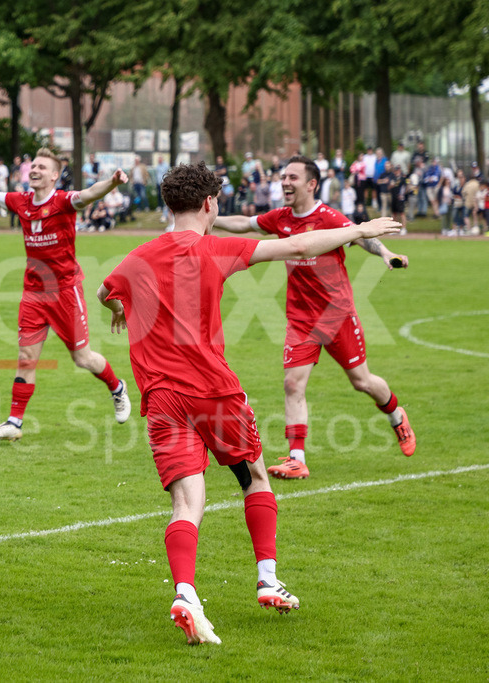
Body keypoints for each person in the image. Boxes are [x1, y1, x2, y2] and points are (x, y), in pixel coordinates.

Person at [97, 161, 401, 646]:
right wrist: (359, 229)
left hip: (161, 398)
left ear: (169, 205)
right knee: (255, 476)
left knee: (185, 500)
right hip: (214, 391)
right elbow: (299, 245)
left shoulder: (137, 258)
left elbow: (103, 290)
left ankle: (185, 593)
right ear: (210, 205)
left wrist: (118, 310)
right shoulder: (216, 247)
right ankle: (266, 578)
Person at [213, 155, 416, 480]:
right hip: (300, 319)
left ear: (311, 184)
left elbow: (361, 235)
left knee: (361, 381)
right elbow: (245, 223)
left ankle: (395, 414)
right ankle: (296, 458)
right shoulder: (280, 218)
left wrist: (386, 254)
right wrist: (209, 219)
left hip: (337, 316)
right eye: (283, 176)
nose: (285, 182)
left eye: (292, 177)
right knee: (293, 384)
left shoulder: (328, 216)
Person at [0, 149, 132, 441]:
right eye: (33, 165)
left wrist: (113, 182)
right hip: (34, 293)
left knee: (83, 358)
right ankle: (14, 423)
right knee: (26, 356)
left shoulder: (63, 201)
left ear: (54, 175)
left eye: (41, 166)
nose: (34, 169)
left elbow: (90, 194)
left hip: (65, 291)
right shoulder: (21, 201)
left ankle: (117, 388)